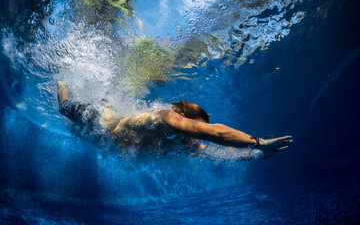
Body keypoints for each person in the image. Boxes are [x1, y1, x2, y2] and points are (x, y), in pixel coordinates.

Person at [57, 81, 292, 160]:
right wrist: (259, 142)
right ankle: (62, 84)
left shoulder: (180, 141)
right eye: (196, 127)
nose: (196, 134)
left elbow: (219, 153)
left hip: (111, 139)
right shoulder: (166, 118)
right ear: (185, 118)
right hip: (101, 119)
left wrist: (256, 155)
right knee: (64, 108)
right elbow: (217, 134)